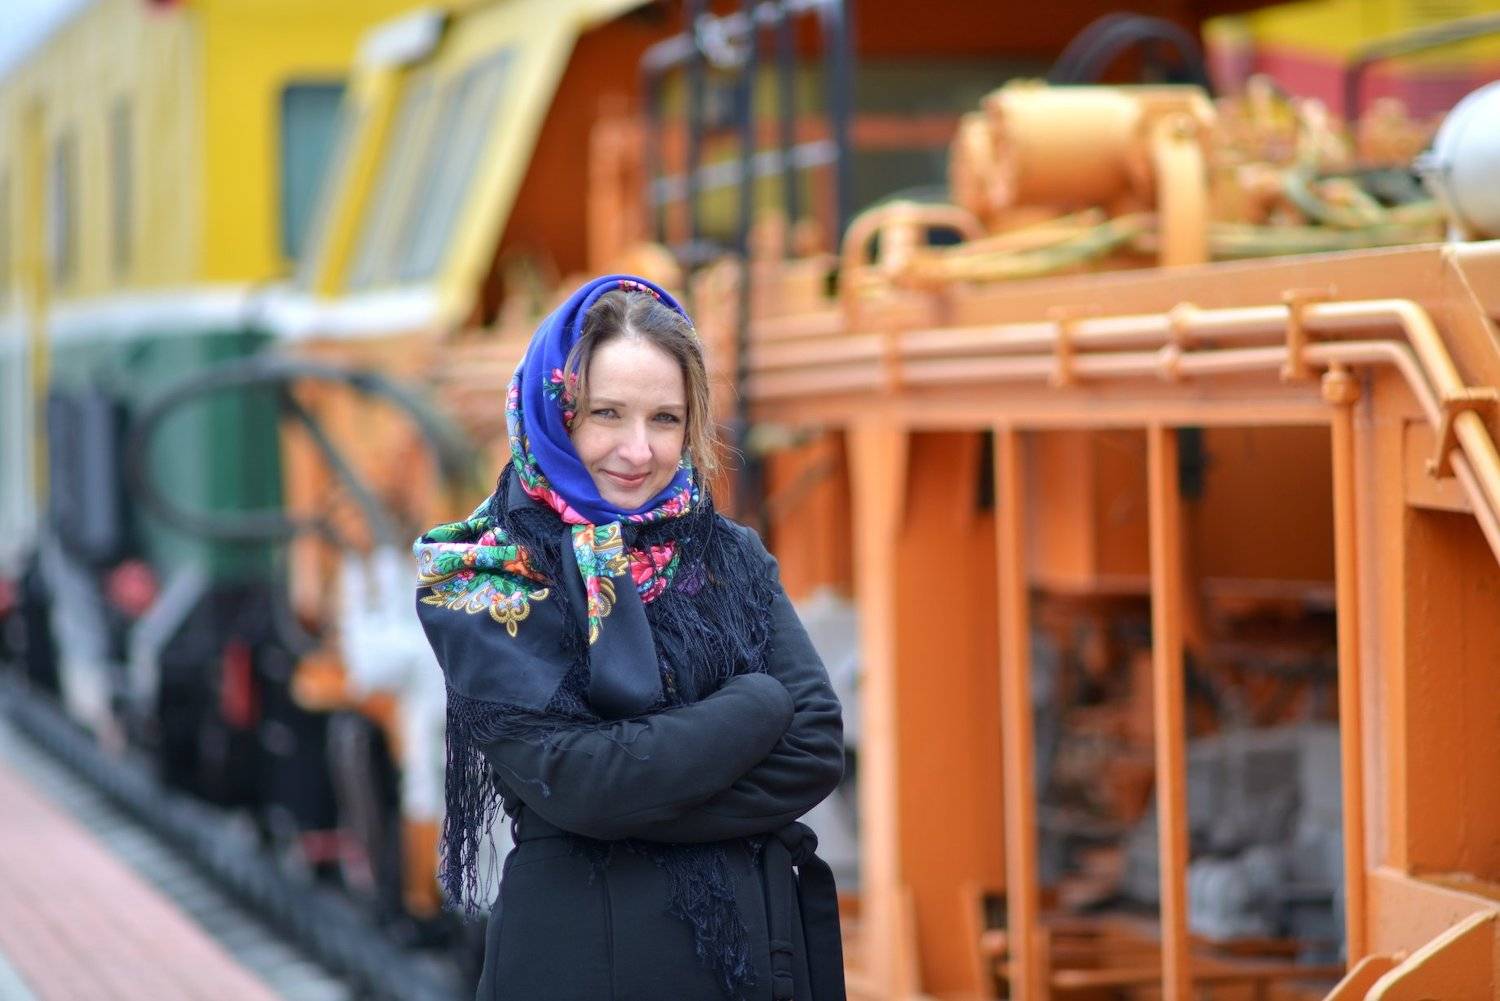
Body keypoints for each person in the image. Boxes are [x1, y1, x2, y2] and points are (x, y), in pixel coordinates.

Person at [413, 274, 847, 1000]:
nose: (638, 450)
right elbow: (577, 783)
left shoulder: (728, 554)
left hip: (749, 965)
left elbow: (813, 750)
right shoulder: (486, 572)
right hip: (582, 969)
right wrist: (757, 705)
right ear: (554, 412)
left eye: (666, 419)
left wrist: (625, 807)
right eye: (606, 414)